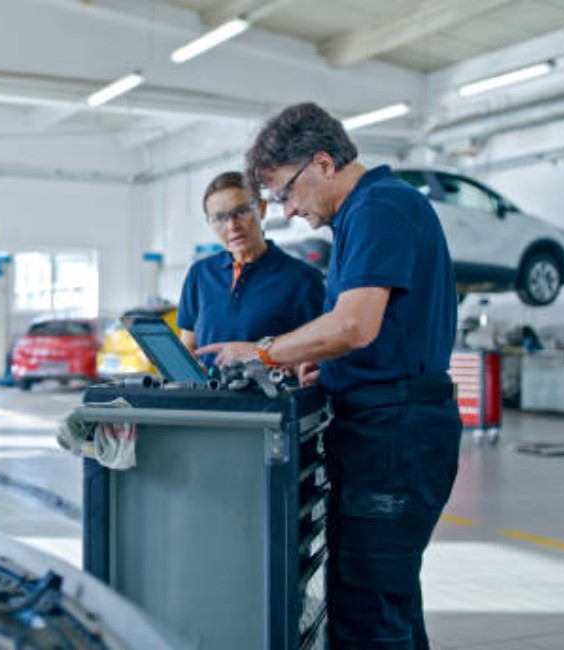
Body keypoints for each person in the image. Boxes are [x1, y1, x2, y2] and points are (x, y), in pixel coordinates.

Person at [197, 103, 462, 650]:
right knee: (389, 604)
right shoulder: (371, 212)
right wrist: (323, 358)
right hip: (393, 425)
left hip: (394, 433)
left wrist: (264, 352)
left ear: (322, 162)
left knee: (367, 616)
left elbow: (352, 324)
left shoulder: (378, 208)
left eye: (286, 193)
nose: (288, 211)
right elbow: (375, 329)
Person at [178, 171, 324, 368]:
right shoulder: (200, 274)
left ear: (261, 209)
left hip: (270, 396)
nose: (232, 225)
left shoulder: (303, 280)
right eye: (219, 218)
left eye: (241, 212)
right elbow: (188, 346)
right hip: (208, 397)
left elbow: (319, 354)